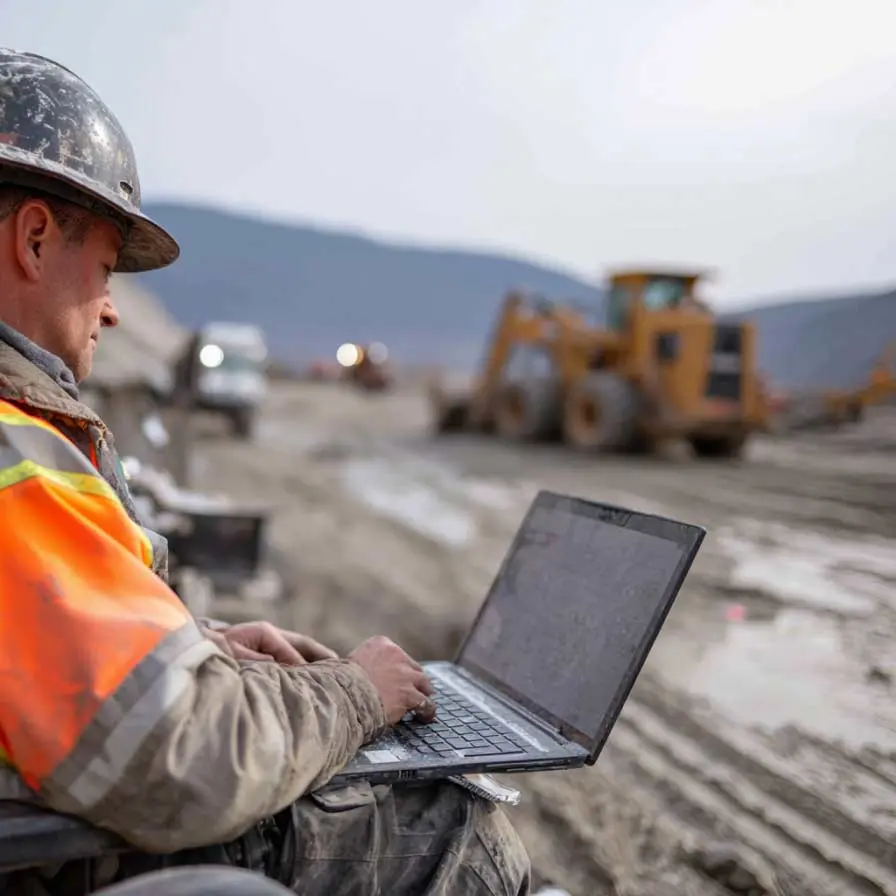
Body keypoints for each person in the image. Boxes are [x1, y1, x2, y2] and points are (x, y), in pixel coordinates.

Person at [0, 49, 531, 895]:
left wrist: (190, 647)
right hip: (52, 858)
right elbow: (186, 762)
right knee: (452, 824)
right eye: (104, 270)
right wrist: (358, 691)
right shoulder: (13, 456)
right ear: (34, 239)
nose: (108, 306)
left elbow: (31, 648)